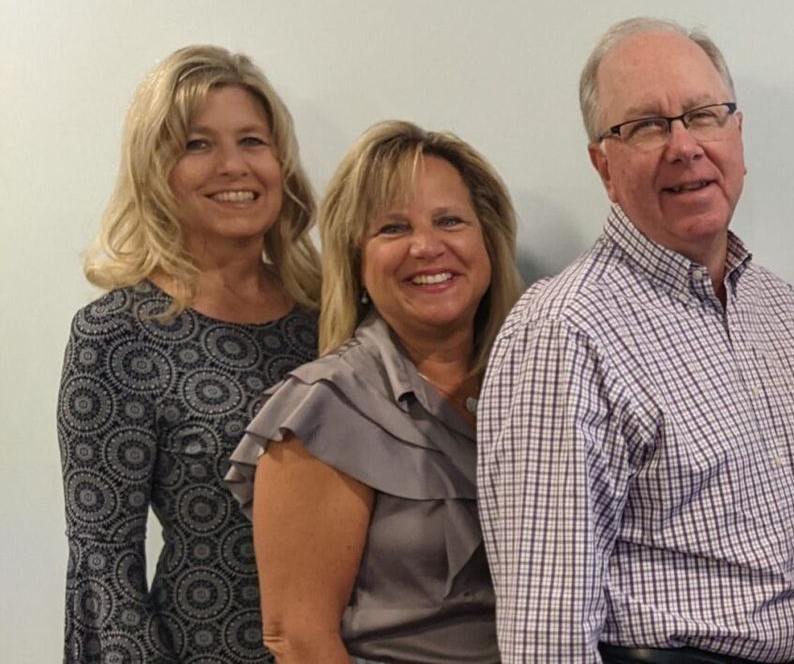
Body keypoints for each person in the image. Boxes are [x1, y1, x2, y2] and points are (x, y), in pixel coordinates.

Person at [478, 17, 794, 664]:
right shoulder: (566, 331)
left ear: (737, 134)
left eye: (704, 115)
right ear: (603, 162)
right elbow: (546, 632)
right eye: (646, 125)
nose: (684, 145)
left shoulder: (780, 312)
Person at [59, 45, 322, 663]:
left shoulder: (328, 319)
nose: (234, 166)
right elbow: (106, 569)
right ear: (156, 169)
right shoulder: (118, 337)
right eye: (197, 145)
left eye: (253, 141)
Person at [227, 122, 521, 662]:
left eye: (450, 221)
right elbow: (298, 639)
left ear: (488, 241)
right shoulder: (322, 409)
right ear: (356, 259)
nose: (427, 247)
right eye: (392, 228)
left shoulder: (535, 383)